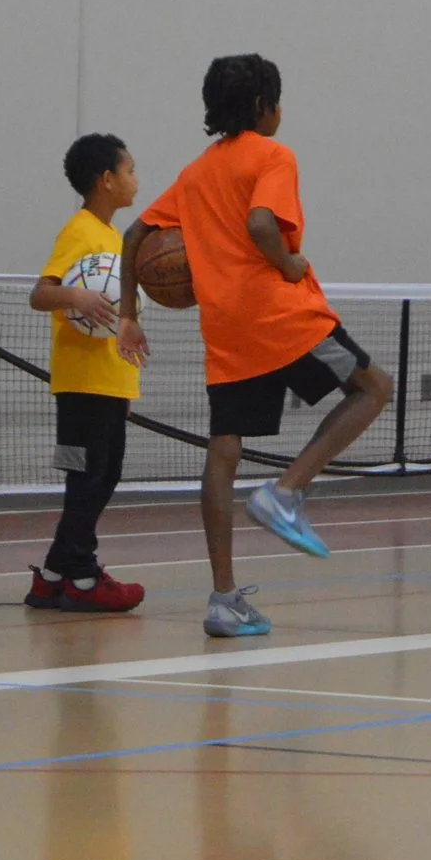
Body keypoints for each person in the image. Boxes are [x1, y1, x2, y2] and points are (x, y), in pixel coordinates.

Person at [118, 55, 392, 639]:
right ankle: (286, 493)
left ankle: (224, 600)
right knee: (373, 387)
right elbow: (263, 224)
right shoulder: (273, 156)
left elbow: (135, 234)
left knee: (224, 451)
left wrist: (127, 315)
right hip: (282, 318)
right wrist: (287, 262)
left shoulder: (195, 173)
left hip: (226, 330)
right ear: (265, 107)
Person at [24, 133, 146, 613]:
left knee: (104, 474)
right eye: (131, 170)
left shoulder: (115, 238)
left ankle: (54, 575)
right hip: (80, 384)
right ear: (107, 180)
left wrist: (127, 372)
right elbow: (41, 294)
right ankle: (83, 576)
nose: (137, 180)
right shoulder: (79, 231)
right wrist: (75, 296)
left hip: (109, 381)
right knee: (87, 478)